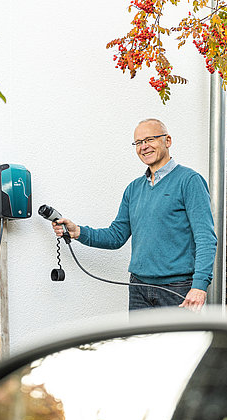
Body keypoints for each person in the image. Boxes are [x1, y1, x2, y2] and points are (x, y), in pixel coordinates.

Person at [52, 118, 217, 311]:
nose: (144, 147)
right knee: (140, 342)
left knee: (178, 343)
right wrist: (77, 231)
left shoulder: (189, 181)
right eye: (138, 142)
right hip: (139, 288)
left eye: (150, 139)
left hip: (177, 289)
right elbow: (116, 236)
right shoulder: (133, 189)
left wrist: (199, 285)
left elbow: (206, 238)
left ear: (168, 141)